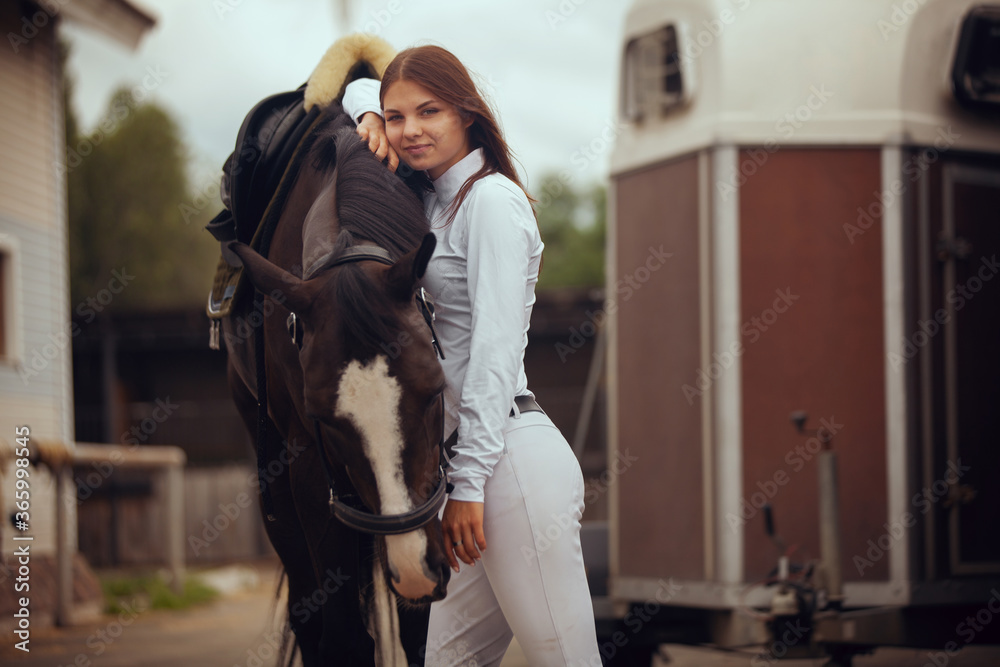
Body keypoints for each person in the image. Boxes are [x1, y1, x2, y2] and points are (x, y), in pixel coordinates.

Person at [342, 46, 601, 665]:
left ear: (467, 113)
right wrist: (366, 117)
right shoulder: (434, 202)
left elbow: (493, 351)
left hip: (508, 465)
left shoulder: (491, 204)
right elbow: (352, 90)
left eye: (428, 112)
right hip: (475, 468)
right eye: (397, 117)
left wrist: (469, 486)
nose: (410, 131)